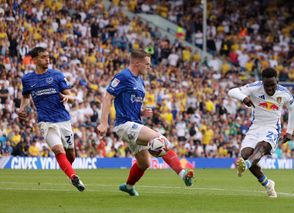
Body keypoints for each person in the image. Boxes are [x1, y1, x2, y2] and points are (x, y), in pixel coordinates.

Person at [97, 49, 194, 196]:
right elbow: (107, 97)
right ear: (137, 63)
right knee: (160, 140)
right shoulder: (123, 76)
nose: (149, 67)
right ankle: (182, 173)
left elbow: (131, 104)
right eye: (147, 64)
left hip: (135, 123)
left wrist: (142, 112)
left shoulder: (140, 81)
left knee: (144, 163)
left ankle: (128, 187)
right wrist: (104, 123)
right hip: (124, 125)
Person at [17, 47, 85, 191]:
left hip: (63, 119)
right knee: (58, 150)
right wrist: (22, 108)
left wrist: (68, 97)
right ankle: (73, 177)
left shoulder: (57, 75)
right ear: (34, 60)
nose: (47, 59)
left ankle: (68, 169)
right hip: (45, 121)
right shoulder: (27, 79)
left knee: (70, 154)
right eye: (43, 57)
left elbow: (72, 97)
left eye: (48, 57)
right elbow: (25, 97)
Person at [228, 68, 294, 198]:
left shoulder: (285, 93)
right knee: (245, 154)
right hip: (256, 127)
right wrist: (243, 98)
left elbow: (293, 109)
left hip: (272, 128)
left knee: (262, 146)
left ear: (277, 80)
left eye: (273, 85)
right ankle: (268, 184)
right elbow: (232, 91)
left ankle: (246, 164)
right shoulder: (255, 87)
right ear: (262, 82)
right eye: (267, 85)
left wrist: (289, 131)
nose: (270, 88)